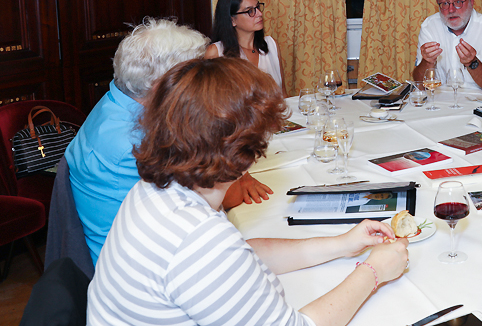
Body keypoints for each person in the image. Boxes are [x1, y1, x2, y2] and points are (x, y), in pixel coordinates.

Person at [88, 58, 408, 326]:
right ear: (243, 152)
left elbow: (245, 253)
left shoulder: (159, 189)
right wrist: (373, 272)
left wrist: (342, 245)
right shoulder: (197, 239)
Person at [66, 18, 273, 264]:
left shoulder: (116, 103)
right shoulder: (135, 141)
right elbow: (222, 195)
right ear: (162, 84)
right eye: (194, 75)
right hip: (141, 265)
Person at [206, 0, 287, 95]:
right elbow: (210, 103)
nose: (259, 14)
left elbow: (284, 96)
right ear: (232, 20)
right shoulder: (216, 52)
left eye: (258, 7)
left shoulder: (271, 45)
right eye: (250, 11)